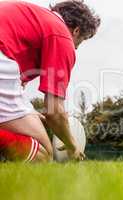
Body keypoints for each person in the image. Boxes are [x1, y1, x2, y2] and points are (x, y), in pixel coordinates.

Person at [0, 0, 101, 162]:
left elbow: (15, 99)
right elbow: (54, 110)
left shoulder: (31, 18)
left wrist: (32, 115)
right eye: (80, 42)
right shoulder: (62, 36)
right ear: (76, 30)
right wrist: (72, 145)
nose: (75, 48)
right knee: (43, 155)